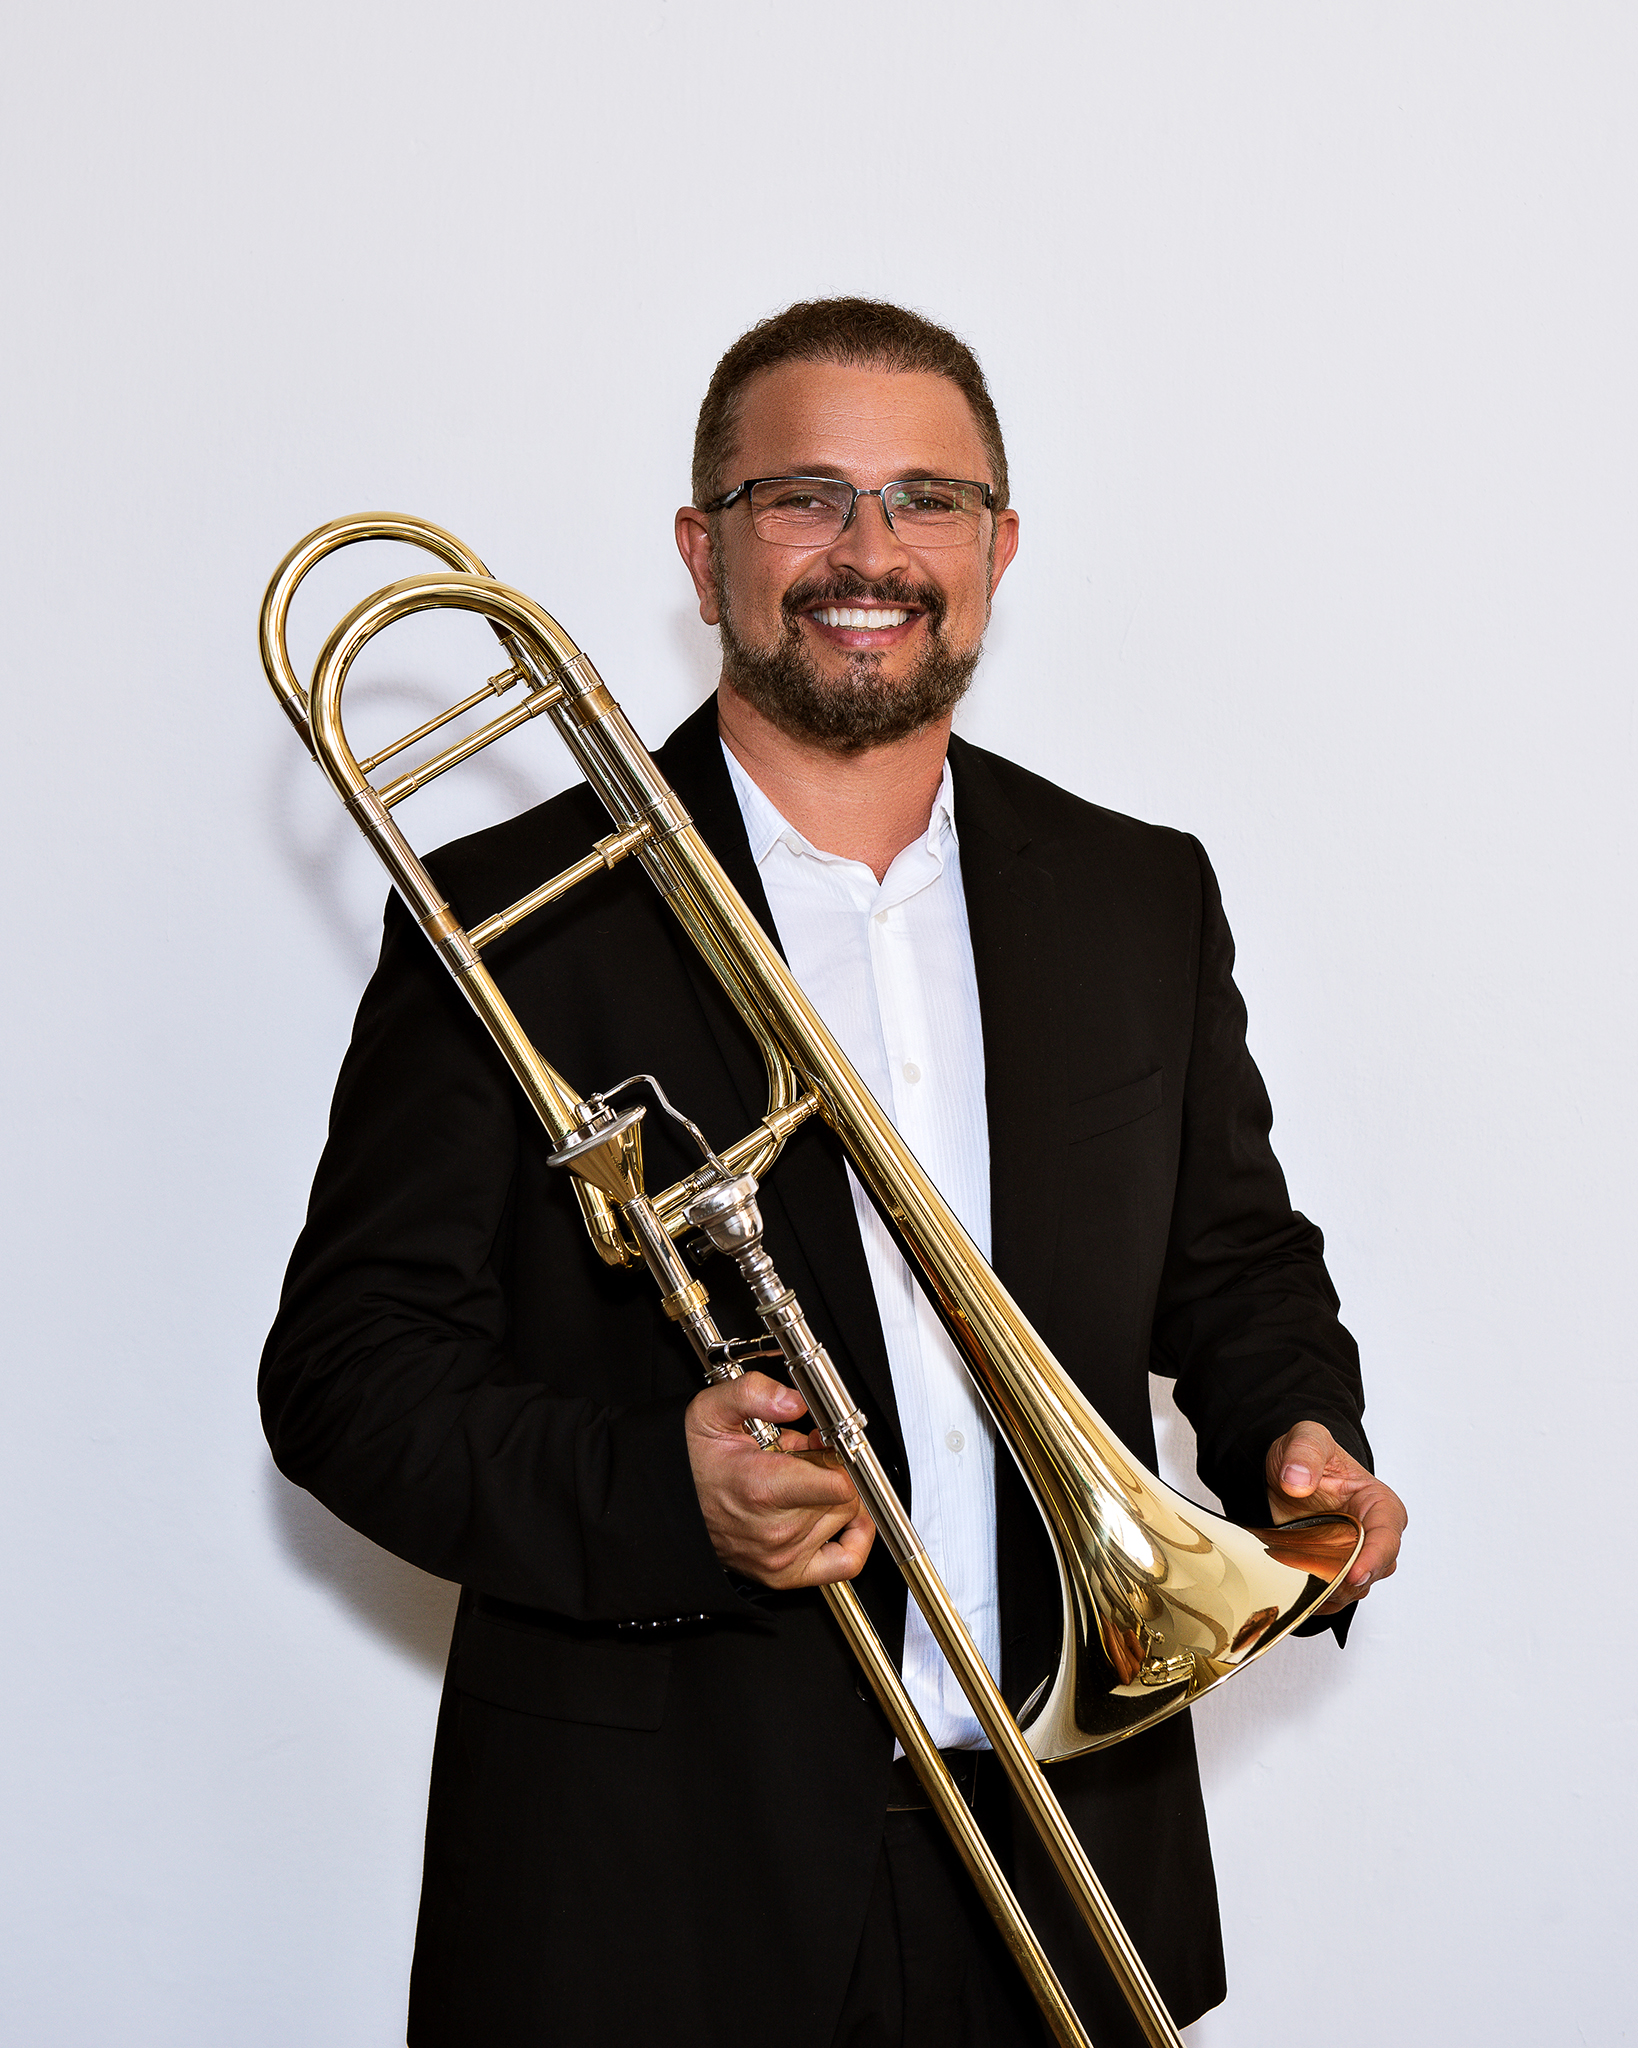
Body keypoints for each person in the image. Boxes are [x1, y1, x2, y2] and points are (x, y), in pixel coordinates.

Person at [261, 298, 1407, 2048]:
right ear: (699, 550)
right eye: (801, 496)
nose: (869, 552)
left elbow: (1233, 1267)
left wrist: (1296, 1436)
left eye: (927, 499)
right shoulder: (504, 915)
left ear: (997, 547)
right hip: (641, 1893)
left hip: (1065, 1868)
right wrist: (665, 1492)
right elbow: (347, 1382)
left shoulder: (1133, 894)